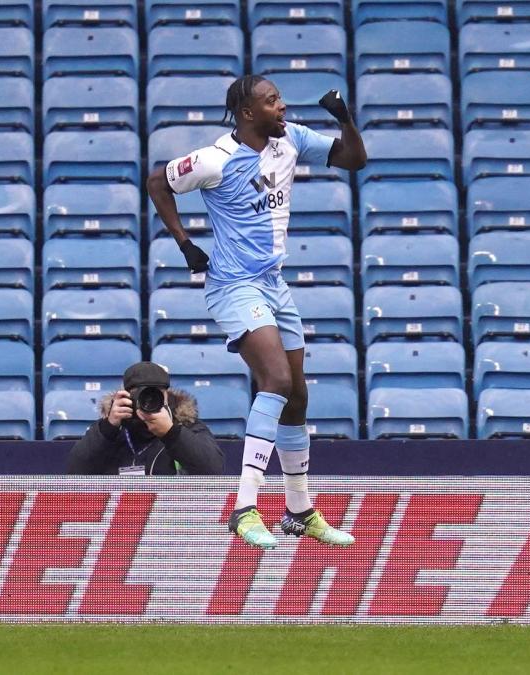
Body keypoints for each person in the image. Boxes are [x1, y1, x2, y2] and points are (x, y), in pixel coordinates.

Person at [146, 76, 367, 550]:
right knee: (278, 382)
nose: (282, 105)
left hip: (273, 283)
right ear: (248, 113)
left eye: (281, 98)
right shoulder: (213, 160)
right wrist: (185, 245)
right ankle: (245, 508)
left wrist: (345, 119)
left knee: (298, 397)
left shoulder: (292, 139)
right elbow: (156, 182)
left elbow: (354, 159)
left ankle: (299, 511)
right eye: (272, 101)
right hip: (233, 284)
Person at [66, 361, 224, 476]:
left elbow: (214, 470)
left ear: (167, 397)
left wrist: (171, 433)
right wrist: (108, 427)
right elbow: (74, 471)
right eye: (141, 395)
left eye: (156, 395)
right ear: (127, 396)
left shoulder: (187, 426)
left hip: (169, 515)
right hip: (120, 515)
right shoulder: (112, 429)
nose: (148, 401)